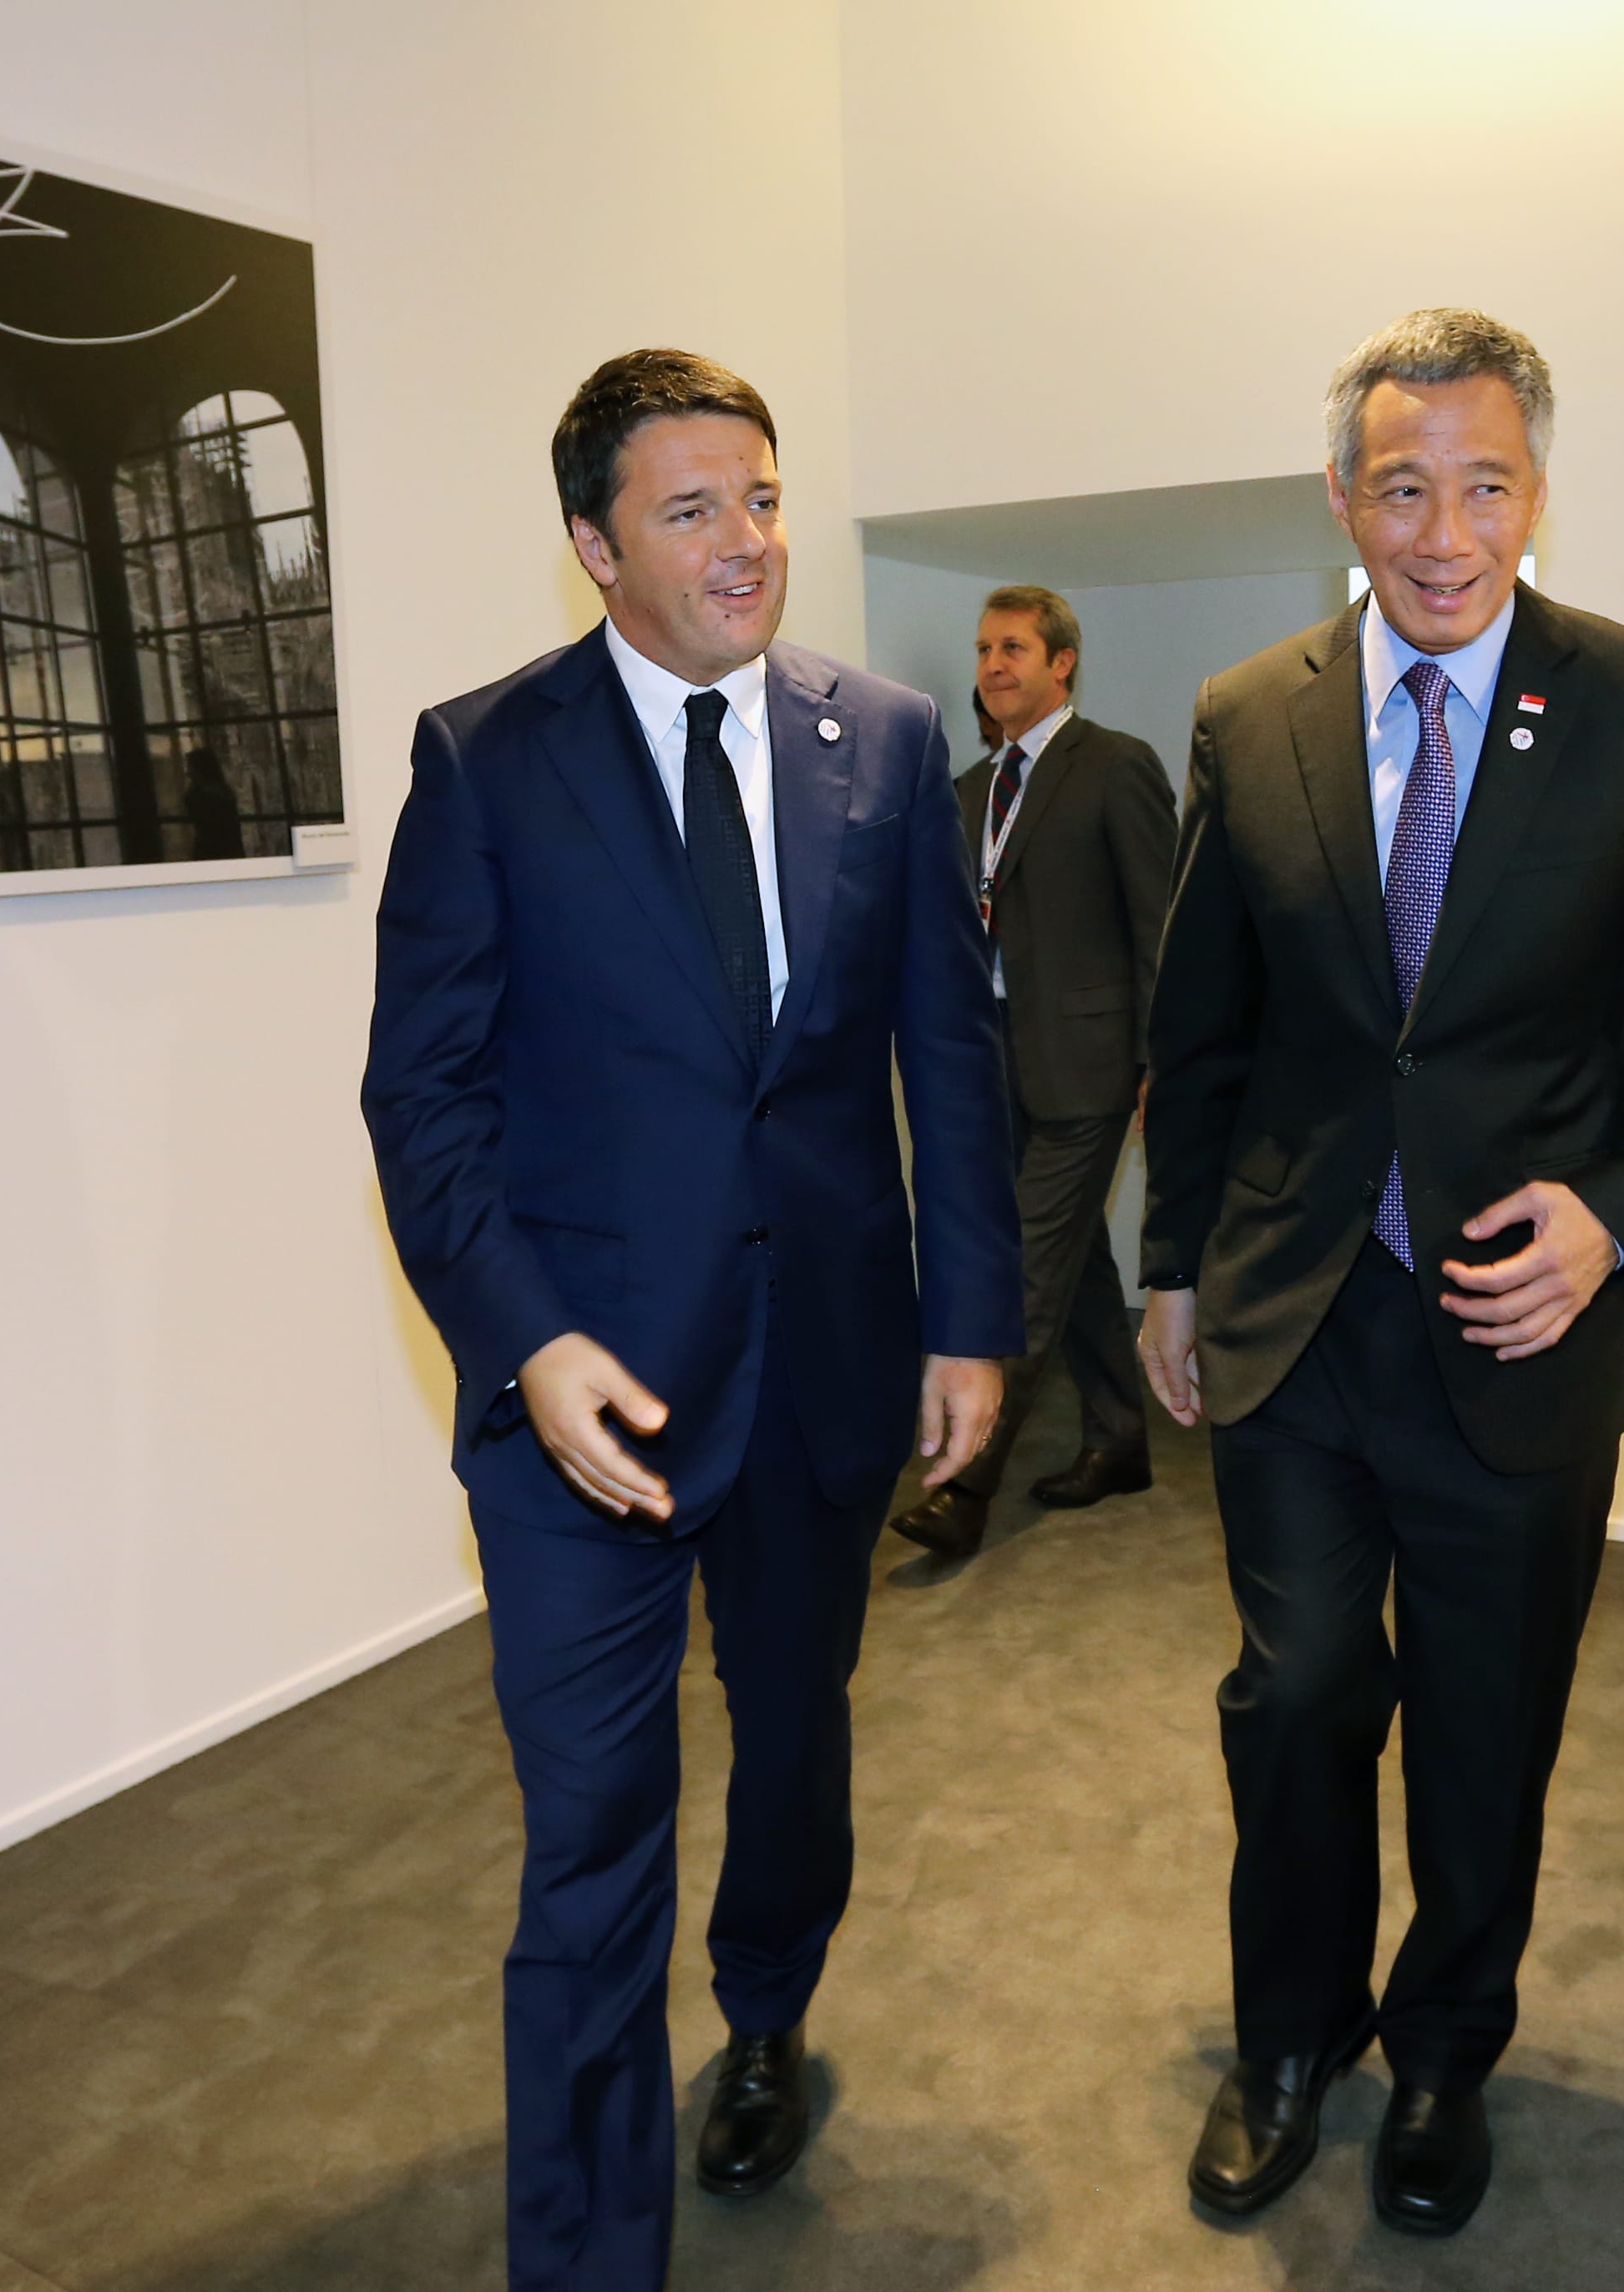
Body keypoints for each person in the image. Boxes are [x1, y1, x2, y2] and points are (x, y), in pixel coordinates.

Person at [1141, 310, 1624, 2235]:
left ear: (1535, 493)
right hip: (1294, 1308)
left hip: (1522, 1321)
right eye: (1402, 487)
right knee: (1293, 1693)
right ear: (1340, 495)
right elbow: (1201, 1029)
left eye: (1485, 485)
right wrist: (1171, 1267)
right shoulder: (1246, 715)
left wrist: (1619, 1212)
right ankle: (1288, 2041)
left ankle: (1444, 2049)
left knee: (1483, 1714)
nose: (1444, 533)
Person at [361, 348, 1021, 2292]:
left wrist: (970, 1321)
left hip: (820, 1369)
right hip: (585, 1405)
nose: (745, 543)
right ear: (594, 546)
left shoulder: (883, 739)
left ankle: (766, 2011)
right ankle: (585, 2253)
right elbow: (424, 1098)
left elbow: (945, 1058)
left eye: (761, 498)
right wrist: (525, 1337)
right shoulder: (488, 759)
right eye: (689, 510)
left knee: (795, 1744)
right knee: (589, 1833)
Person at [888, 585, 1176, 1557]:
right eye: (981, 651)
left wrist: (1159, 1059)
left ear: (1061, 663)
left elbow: (1159, 927)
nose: (991, 666)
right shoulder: (968, 790)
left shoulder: (1115, 767)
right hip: (991, 1057)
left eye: (1012, 648)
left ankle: (966, 1485)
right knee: (1073, 1256)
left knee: (1023, 1262)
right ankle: (1118, 1438)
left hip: (1089, 1063)